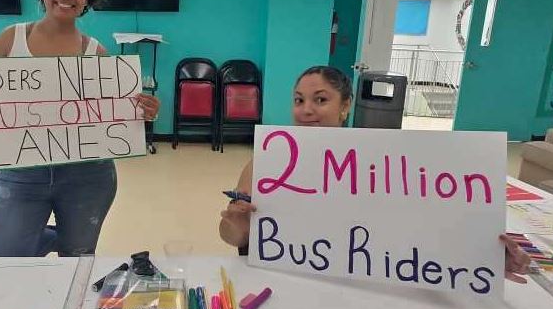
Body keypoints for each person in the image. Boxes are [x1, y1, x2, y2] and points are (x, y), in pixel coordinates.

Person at [219, 65, 531, 281]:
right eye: (299, 100)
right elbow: (233, 238)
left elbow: (421, 234)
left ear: (345, 106)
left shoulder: (381, 165)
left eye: (320, 100)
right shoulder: (268, 163)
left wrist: (485, 259)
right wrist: (235, 223)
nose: (306, 110)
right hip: (282, 279)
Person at [0, 0, 159, 257]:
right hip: (21, 172)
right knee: (1, 259)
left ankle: (60, 239)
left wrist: (142, 113)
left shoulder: (97, 54)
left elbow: (116, 116)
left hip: (88, 176)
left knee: (76, 260)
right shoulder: (11, 40)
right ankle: (46, 236)